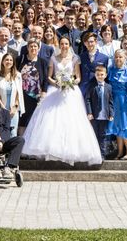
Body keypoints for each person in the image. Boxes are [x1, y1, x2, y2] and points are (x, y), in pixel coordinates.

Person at [22, 36, 102, 166]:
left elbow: (78, 77)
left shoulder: (75, 59)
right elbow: (49, 76)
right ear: (59, 45)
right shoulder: (53, 58)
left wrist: (69, 82)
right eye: (62, 44)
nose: (64, 46)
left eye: (66, 43)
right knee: (52, 120)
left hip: (71, 92)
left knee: (72, 120)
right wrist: (58, 83)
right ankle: (52, 150)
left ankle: (71, 150)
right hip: (56, 90)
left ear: (69, 45)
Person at [16, 38, 48, 134]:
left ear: (38, 48)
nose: (33, 48)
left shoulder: (43, 62)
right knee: (23, 120)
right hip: (22, 95)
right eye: (31, 46)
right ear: (27, 47)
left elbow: (45, 79)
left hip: (36, 95)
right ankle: (21, 143)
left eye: (35, 46)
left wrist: (44, 93)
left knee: (35, 120)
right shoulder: (20, 59)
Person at [86, 64, 114, 159]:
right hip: (94, 116)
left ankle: (102, 155)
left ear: (105, 75)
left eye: (102, 74)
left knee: (102, 136)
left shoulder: (109, 87)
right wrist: (89, 113)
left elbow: (110, 102)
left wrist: (111, 113)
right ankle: (94, 154)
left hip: (104, 116)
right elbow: (88, 100)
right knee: (94, 135)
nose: (100, 76)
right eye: (98, 74)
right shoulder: (92, 86)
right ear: (95, 75)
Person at [0, 53, 24, 136]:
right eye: (6, 60)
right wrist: (2, 107)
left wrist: (15, 107)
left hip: (13, 110)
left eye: (11, 60)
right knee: (1, 132)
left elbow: (19, 93)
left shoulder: (18, 75)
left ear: (13, 62)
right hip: (1, 108)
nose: (9, 62)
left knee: (13, 133)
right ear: (3, 62)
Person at [79, 32, 109, 99]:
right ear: (84, 43)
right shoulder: (81, 57)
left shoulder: (104, 58)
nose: (90, 44)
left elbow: (106, 76)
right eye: (87, 42)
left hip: (98, 89)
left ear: (96, 42)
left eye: (91, 41)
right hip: (84, 90)